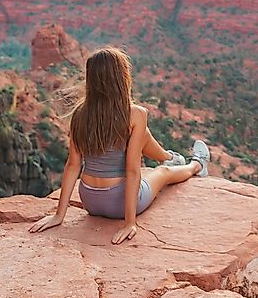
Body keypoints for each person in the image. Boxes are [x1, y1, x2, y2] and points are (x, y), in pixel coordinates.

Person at [28, 46, 210, 244]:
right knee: (164, 172)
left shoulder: (80, 113)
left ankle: (169, 157)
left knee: (141, 136)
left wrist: (59, 216)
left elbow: (73, 165)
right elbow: (132, 170)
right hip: (119, 203)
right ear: (121, 78)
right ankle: (196, 164)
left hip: (89, 199)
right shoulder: (136, 113)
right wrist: (129, 222)